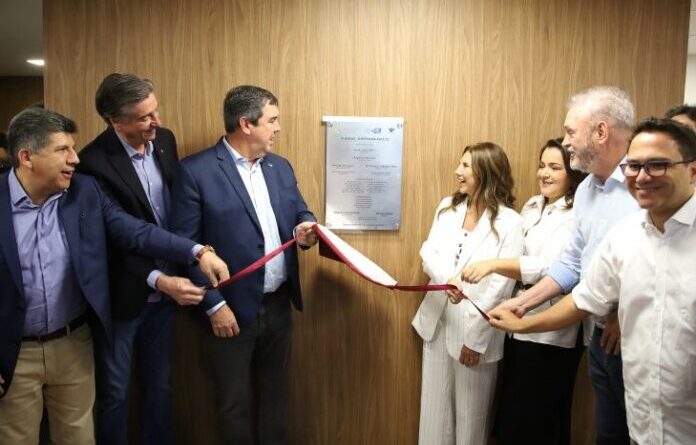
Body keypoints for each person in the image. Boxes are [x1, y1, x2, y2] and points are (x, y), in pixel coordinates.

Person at [0, 107, 229, 445]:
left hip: (74, 344)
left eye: (73, 148)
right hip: (14, 351)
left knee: (78, 437)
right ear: (26, 157)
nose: (76, 159)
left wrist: (197, 251)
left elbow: (134, 232)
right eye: (62, 150)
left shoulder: (85, 191)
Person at [489, 117, 696, 445]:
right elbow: (584, 295)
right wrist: (523, 319)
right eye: (634, 166)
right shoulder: (624, 235)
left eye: (657, 165)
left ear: (692, 171)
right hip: (642, 416)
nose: (642, 176)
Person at [169, 85, 318, 444]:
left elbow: (300, 211)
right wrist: (214, 306)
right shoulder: (195, 171)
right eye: (272, 120)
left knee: (275, 400)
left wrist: (305, 227)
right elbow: (184, 247)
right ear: (246, 124)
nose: (278, 128)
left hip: (279, 305)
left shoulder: (280, 167)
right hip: (230, 311)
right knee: (233, 404)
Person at [491, 86, 638, 444]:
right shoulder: (587, 190)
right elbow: (571, 265)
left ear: (600, 132)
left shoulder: (641, 187)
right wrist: (522, 303)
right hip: (600, 336)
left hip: (636, 335)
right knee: (610, 434)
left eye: (571, 132)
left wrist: (624, 312)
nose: (567, 142)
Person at [77, 73, 200, 445]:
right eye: (145, 117)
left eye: (155, 111)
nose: (156, 122)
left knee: (160, 385)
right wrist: (158, 279)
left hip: (168, 296)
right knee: (115, 393)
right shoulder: (92, 163)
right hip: (124, 298)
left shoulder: (164, 140)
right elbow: (115, 238)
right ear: (116, 121)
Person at [460, 138, 586, 444]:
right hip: (517, 322)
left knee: (540, 417)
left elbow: (551, 269)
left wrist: (493, 265)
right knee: (514, 414)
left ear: (572, 174)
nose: (544, 173)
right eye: (542, 165)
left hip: (551, 329)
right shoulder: (531, 206)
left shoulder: (576, 214)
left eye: (555, 168)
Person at [411, 142, 524, 445]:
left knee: (470, 422)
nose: (456, 171)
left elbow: (501, 287)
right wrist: (447, 280)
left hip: (476, 334)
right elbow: (428, 252)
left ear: (486, 172)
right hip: (438, 323)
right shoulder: (448, 207)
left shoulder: (511, 223)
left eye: (465, 166)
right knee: (434, 417)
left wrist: (476, 340)